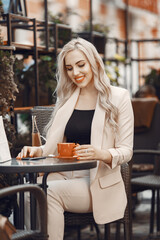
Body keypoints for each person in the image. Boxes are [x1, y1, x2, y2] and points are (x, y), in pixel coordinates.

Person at [17, 38, 134, 240]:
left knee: (47, 192)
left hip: (96, 182)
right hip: (62, 174)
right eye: (69, 68)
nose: (75, 73)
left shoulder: (119, 97)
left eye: (81, 65)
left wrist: (102, 154)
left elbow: (126, 150)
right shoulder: (66, 98)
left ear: (95, 62)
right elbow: (54, 146)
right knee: (27, 193)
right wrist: (39, 151)